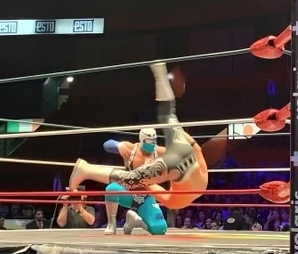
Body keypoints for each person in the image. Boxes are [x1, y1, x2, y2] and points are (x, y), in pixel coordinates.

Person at [68, 62, 209, 236]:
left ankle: (160, 72)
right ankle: (90, 177)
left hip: (180, 154)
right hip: (176, 161)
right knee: (127, 181)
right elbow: (108, 145)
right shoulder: (132, 148)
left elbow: (196, 150)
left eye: (152, 139)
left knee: (168, 113)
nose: (150, 142)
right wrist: (124, 150)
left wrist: (180, 139)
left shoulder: (167, 165)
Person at [101, 128, 166, 234]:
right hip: (128, 191)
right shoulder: (132, 149)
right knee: (111, 188)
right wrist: (119, 145)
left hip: (146, 196)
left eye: (153, 141)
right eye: (148, 141)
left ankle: (136, 221)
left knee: (160, 229)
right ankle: (111, 224)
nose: (151, 144)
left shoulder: (159, 152)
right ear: (142, 140)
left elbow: (179, 154)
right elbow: (107, 145)